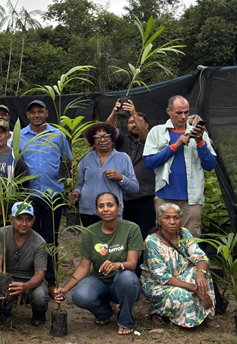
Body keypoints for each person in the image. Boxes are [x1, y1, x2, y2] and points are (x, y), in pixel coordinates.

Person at [53, 192, 143, 335]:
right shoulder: (90, 232)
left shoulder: (131, 229)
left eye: (110, 205)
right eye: (101, 206)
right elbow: (83, 267)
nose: (106, 209)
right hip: (99, 281)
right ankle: (104, 313)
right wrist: (66, 288)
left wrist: (117, 265)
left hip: (123, 283)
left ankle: (126, 320)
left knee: (127, 277)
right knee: (80, 296)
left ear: (119, 207)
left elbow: (132, 263)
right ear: (96, 210)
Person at [143, 95, 217, 238]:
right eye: (178, 113)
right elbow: (150, 163)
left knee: (190, 241)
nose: (183, 116)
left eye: (186, 112)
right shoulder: (157, 132)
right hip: (164, 198)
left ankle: (190, 262)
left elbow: (210, 165)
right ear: (168, 111)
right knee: (165, 241)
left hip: (191, 200)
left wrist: (200, 142)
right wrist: (175, 146)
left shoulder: (199, 133)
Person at [19, 99, 71, 287]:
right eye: (32, 112)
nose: (36, 115)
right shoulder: (20, 136)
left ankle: (49, 280)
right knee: (29, 236)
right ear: (27, 116)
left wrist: (68, 189)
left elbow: (66, 161)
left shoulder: (58, 135)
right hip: (28, 196)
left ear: (47, 114)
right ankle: (29, 278)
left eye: (40, 111)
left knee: (50, 238)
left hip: (53, 197)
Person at [141, 203, 219, 328]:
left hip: (181, 276)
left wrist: (200, 274)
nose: (172, 222)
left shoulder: (184, 233)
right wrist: (194, 288)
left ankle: (205, 315)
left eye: (176, 218)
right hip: (157, 284)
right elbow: (162, 277)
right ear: (158, 221)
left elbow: (200, 256)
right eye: (167, 218)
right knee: (182, 295)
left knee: (204, 275)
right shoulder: (152, 242)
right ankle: (158, 311)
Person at [0, 202, 49, 326]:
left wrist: (25, 286)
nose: (24, 224)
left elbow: (39, 274)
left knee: (40, 295)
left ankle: (39, 313)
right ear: (11, 219)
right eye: (19, 219)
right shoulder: (1, 233)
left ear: (33, 221)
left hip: (30, 279)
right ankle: (3, 312)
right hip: (8, 276)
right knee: (0, 284)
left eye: (28, 219)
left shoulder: (40, 243)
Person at [105, 99, 157, 242]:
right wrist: (114, 113)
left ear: (146, 125)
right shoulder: (123, 141)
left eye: (137, 121)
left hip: (145, 198)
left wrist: (133, 112)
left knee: (145, 237)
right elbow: (107, 129)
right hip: (123, 198)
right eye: (131, 122)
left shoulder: (151, 141)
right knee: (123, 238)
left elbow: (146, 136)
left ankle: (141, 265)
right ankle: (126, 265)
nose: (133, 124)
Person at [68, 122, 138, 227]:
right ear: (92, 141)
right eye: (97, 137)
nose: (102, 139)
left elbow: (135, 188)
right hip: (87, 210)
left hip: (111, 211)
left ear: (112, 139)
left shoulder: (123, 158)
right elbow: (80, 184)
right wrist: (76, 193)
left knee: (112, 242)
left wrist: (120, 178)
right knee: (92, 241)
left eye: (106, 136)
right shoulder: (86, 159)